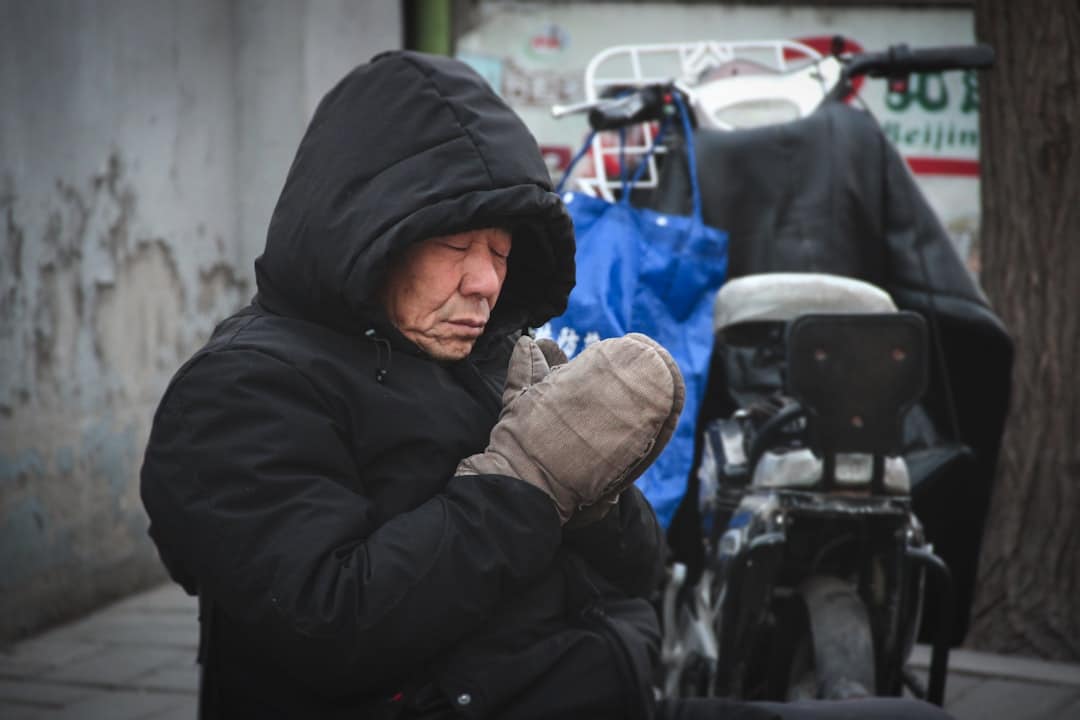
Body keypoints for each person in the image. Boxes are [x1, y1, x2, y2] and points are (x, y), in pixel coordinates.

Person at [140, 51, 953, 720]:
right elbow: (331, 625)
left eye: (500, 251)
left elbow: (641, 574)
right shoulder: (242, 391)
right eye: (455, 245)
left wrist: (596, 489)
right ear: (369, 233)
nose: (485, 282)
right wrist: (528, 479)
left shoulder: (481, 355)